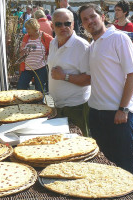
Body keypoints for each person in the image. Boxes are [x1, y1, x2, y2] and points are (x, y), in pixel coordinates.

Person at [78, 4, 133, 173]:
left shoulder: (119, 38)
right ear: (82, 25)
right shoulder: (92, 46)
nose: (90, 21)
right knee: (105, 167)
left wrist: (123, 108)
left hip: (118, 115)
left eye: (93, 16)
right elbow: (91, 78)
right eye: (85, 19)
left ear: (102, 16)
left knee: (123, 167)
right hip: (97, 114)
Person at [48, 8, 91, 137]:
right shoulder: (53, 43)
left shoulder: (81, 46)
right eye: (58, 24)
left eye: (67, 23)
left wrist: (63, 76)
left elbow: (89, 79)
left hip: (76, 107)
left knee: (80, 144)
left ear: (73, 24)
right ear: (52, 25)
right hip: (57, 106)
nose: (63, 27)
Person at [17, 18, 53, 92]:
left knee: (39, 90)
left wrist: (48, 57)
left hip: (40, 68)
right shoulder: (26, 37)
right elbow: (22, 50)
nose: (27, 30)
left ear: (34, 28)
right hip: (27, 68)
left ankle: (39, 103)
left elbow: (54, 47)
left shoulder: (44, 37)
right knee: (20, 87)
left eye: (28, 29)